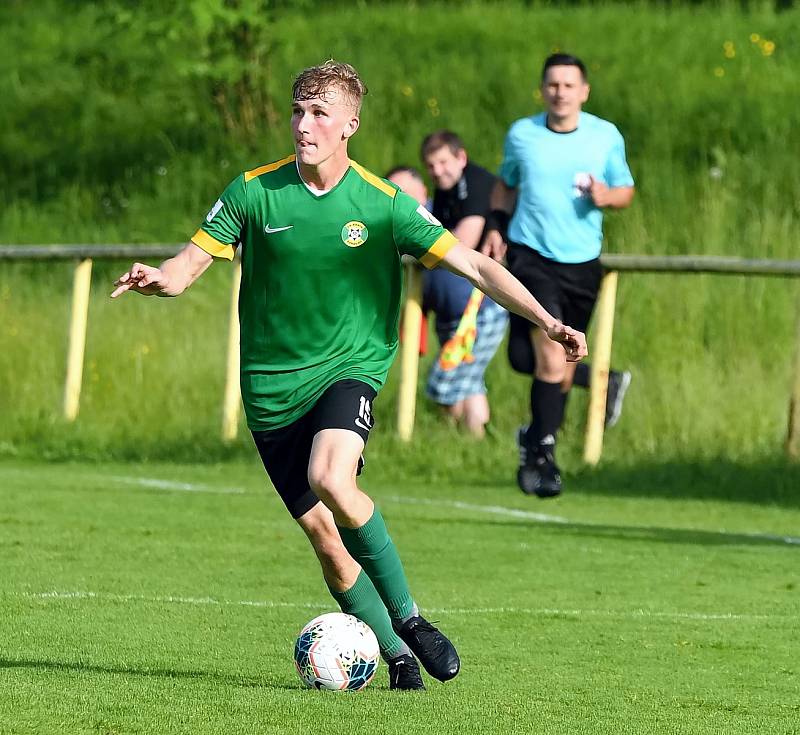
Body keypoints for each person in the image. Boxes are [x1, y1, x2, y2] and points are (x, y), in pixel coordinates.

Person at [111, 60, 587, 691]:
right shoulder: (254, 191)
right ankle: (394, 657)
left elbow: (474, 265)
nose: (303, 124)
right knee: (324, 538)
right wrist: (158, 279)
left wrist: (547, 320)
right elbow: (186, 268)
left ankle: (411, 620)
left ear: (348, 126)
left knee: (329, 477)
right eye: (298, 111)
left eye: (319, 113)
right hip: (270, 388)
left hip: (348, 368)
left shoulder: (383, 203)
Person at [483, 53, 635, 499]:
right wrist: (494, 224)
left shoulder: (604, 135)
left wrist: (608, 195)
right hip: (531, 255)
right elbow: (506, 184)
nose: (560, 92)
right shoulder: (523, 134)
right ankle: (543, 454)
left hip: (582, 261)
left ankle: (535, 441)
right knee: (550, 356)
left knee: (552, 361)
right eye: (552, 84)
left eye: (569, 85)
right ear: (542, 89)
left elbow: (626, 189)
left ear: (584, 91)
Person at [388, 150, 507, 438]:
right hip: (448, 317)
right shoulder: (396, 227)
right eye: (392, 191)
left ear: (423, 191)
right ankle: (471, 442)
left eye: (405, 191)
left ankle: (458, 439)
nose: (399, 197)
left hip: (476, 313)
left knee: (443, 384)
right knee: (469, 384)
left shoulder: (433, 218)